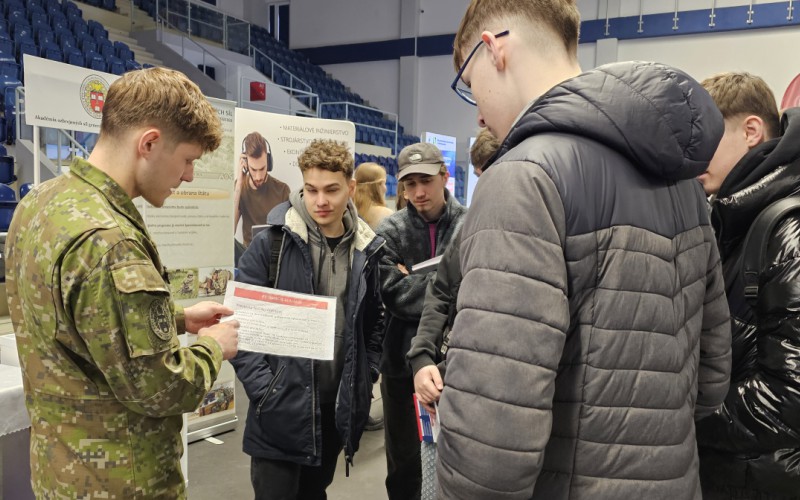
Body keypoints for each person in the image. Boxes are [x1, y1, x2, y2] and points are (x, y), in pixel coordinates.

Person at [437, 1, 733, 498]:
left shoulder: (522, 178)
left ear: (493, 49)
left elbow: (492, 436)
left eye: (470, 83)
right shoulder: (682, 182)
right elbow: (712, 375)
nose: (480, 113)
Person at [4, 67, 240, 498]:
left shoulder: (39, 202)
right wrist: (213, 346)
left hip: (60, 470)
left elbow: (77, 320)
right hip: (122, 480)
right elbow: (162, 388)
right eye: (188, 159)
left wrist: (179, 318)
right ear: (149, 143)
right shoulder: (110, 242)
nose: (188, 175)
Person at [231, 139, 386, 500]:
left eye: (332, 190)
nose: (320, 201)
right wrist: (265, 389)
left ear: (350, 188)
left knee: (316, 494)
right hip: (279, 409)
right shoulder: (272, 243)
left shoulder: (366, 249)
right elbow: (240, 322)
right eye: (311, 189)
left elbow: (375, 320)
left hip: (333, 410)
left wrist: (365, 374)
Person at [695, 72, 800, 499]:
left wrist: (681, 413)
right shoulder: (735, 217)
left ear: (752, 131)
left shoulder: (786, 229)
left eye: (704, 137)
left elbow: (789, 399)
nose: (692, 153)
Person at [408, 128, 499, 500]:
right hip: (444, 390)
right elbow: (440, 293)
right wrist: (421, 358)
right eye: (481, 175)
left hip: (495, 400)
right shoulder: (471, 228)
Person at [376, 141, 467, 500]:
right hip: (400, 364)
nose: (418, 192)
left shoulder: (469, 224)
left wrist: (413, 277)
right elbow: (391, 293)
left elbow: (472, 289)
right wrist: (445, 287)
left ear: (444, 176)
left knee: (457, 459)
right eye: (409, 184)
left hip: (456, 362)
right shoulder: (390, 229)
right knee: (403, 464)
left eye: (426, 181)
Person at [234, 131, 291, 246]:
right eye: (253, 169)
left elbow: (290, 234)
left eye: (262, 168)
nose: (258, 177)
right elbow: (229, 232)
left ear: (269, 163)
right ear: (245, 164)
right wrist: (238, 185)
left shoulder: (283, 190)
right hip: (249, 253)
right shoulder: (239, 188)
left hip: (275, 251)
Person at [355, 162, 394, 229]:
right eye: (382, 183)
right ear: (373, 186)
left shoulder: (348, 212)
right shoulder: (386, 214)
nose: (385, 188)